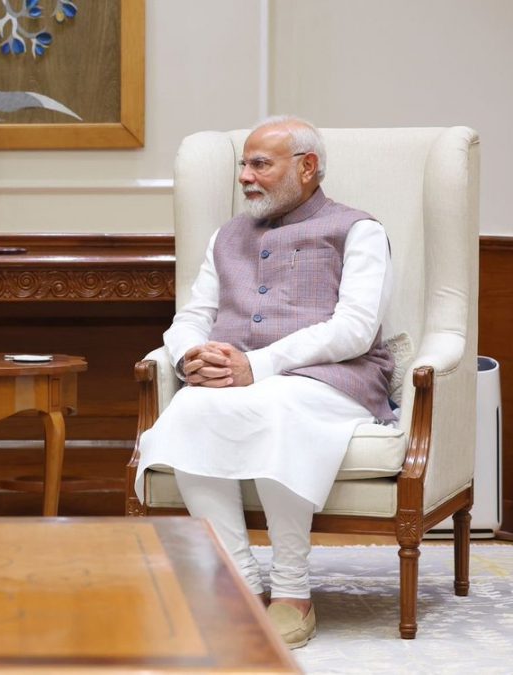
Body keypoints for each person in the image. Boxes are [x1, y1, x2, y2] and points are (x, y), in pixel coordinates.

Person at [134, 116, 394, 649]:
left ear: (307, 167)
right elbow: (193, 314)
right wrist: (190, 356)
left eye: (260, 164)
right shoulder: (226, 236)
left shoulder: (358, 230)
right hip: (238, 379)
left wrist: (262, 365)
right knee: (188, 410)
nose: (245, 177)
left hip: (333, 379)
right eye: (243, 165)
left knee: (277, 405)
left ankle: (293, 590)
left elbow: (355, 328)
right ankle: (237, 581)